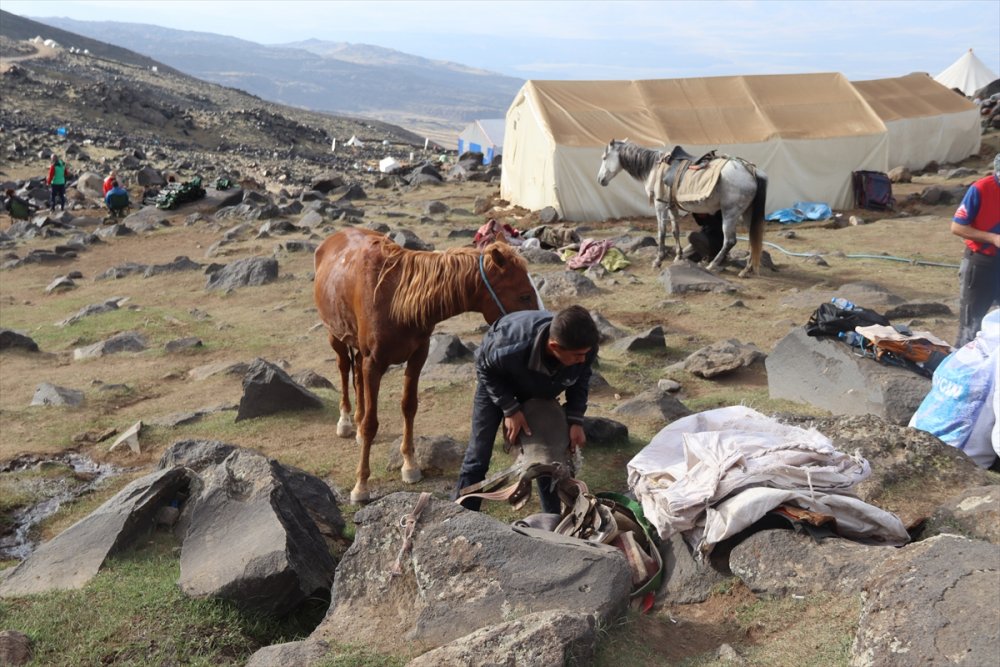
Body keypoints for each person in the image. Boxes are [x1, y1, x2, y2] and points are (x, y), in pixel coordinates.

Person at [454, 305, 600, 514]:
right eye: (578, 355)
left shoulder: (585, 346)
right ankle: (460, 518)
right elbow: (484, 367)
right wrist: (510, 408)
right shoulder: (508, 344)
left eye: (586, 354)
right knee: (478, 456)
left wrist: (576, 419)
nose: (583, 359)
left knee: (548, 457)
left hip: (541, 386)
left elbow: (581, 378)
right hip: (498, 382)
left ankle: (553, 520)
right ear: (554, 346)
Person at [951, 152, 1000, 347]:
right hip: (981, 262)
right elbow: (957, 227)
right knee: (971, 324)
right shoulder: (980, 189)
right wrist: (992, 238)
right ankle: (961, 369)